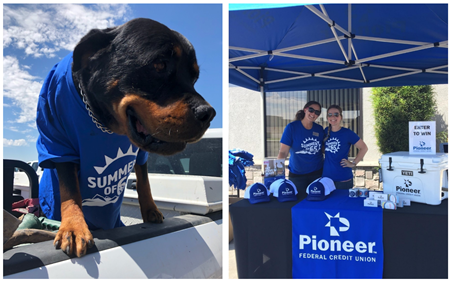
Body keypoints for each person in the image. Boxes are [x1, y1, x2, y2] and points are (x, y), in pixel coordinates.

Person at [277, 101, 324, 197]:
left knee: (316, 203)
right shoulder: (292, 127)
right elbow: (283, 152)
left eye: (317, 112)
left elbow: (322, 149)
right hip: (297, 175)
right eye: (311, 110)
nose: (313, 114)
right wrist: (277, 173)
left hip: (317, 174)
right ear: (305, 110)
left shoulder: (319, 129)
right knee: (298, 203)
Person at [322, 105, 368, 189]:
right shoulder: (325, 132)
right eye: (330, 114)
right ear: (327, 117)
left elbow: (364, 148)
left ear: (341, 117)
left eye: (336, 114)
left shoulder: (347, 133)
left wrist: (353, 163)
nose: (333, 117)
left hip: (343, 179)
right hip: (326, 179)